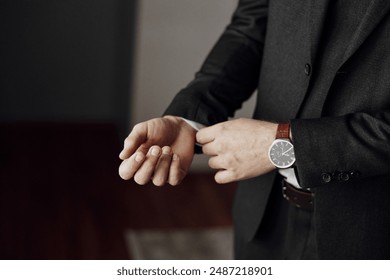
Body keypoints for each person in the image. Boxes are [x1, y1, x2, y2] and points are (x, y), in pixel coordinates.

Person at [119, 0, 390, 259]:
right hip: (262, 212)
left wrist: (283, 144)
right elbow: (250, 29)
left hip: (372, 232)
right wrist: (188, 117)